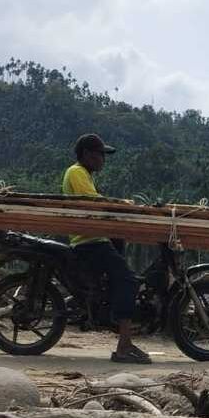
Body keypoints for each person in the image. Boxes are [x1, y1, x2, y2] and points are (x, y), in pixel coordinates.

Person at [62, 133, 151, 364]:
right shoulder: (76, 172)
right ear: (87, 155)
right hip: (89, 242)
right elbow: (93, 202)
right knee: (129, 280)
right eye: (101, 155)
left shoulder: (85, 175)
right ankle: (124, 346)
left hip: (94, 240)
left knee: (120, 272)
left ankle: (116, 320)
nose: (103, 159)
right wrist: (121, 205)